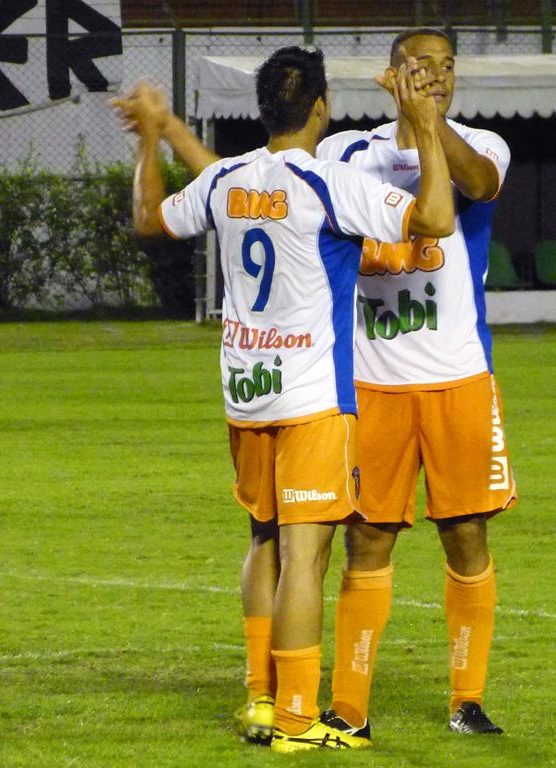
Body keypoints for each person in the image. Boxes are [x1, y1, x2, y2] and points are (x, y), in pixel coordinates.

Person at [140, 28, 517, 740]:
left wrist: (431, 125)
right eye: (419, 66)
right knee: (365, 542)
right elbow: (258, 179)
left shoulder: (485, 144)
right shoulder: (346, 154)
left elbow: (475, 186)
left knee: (466, 534)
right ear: (388, 75)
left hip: (457, 374)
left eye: (446, 66)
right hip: (365, 381)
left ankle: (466, 698)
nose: (434, 76)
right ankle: (346, 707)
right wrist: (178, 138)